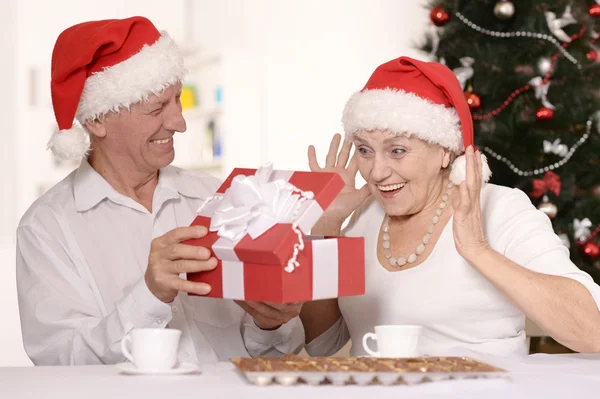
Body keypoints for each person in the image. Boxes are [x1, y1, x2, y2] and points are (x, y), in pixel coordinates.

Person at [16, 16, 303, 366]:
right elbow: (61, 361)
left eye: (178, 100)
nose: (179, 122)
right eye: (157, 108)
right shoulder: (47, 228)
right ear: (97, 119)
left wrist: (269, 323)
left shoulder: (214, 197)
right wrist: (151, 294)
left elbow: (268, 353)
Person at [300, 56, 600, 357]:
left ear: (445, 151)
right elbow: (321, 344)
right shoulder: (364, 218)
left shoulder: (502, 209)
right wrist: (328, 221)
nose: (377, 172)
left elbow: (593, 331)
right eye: (365, 150)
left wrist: (478, 249)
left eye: (397, 150)